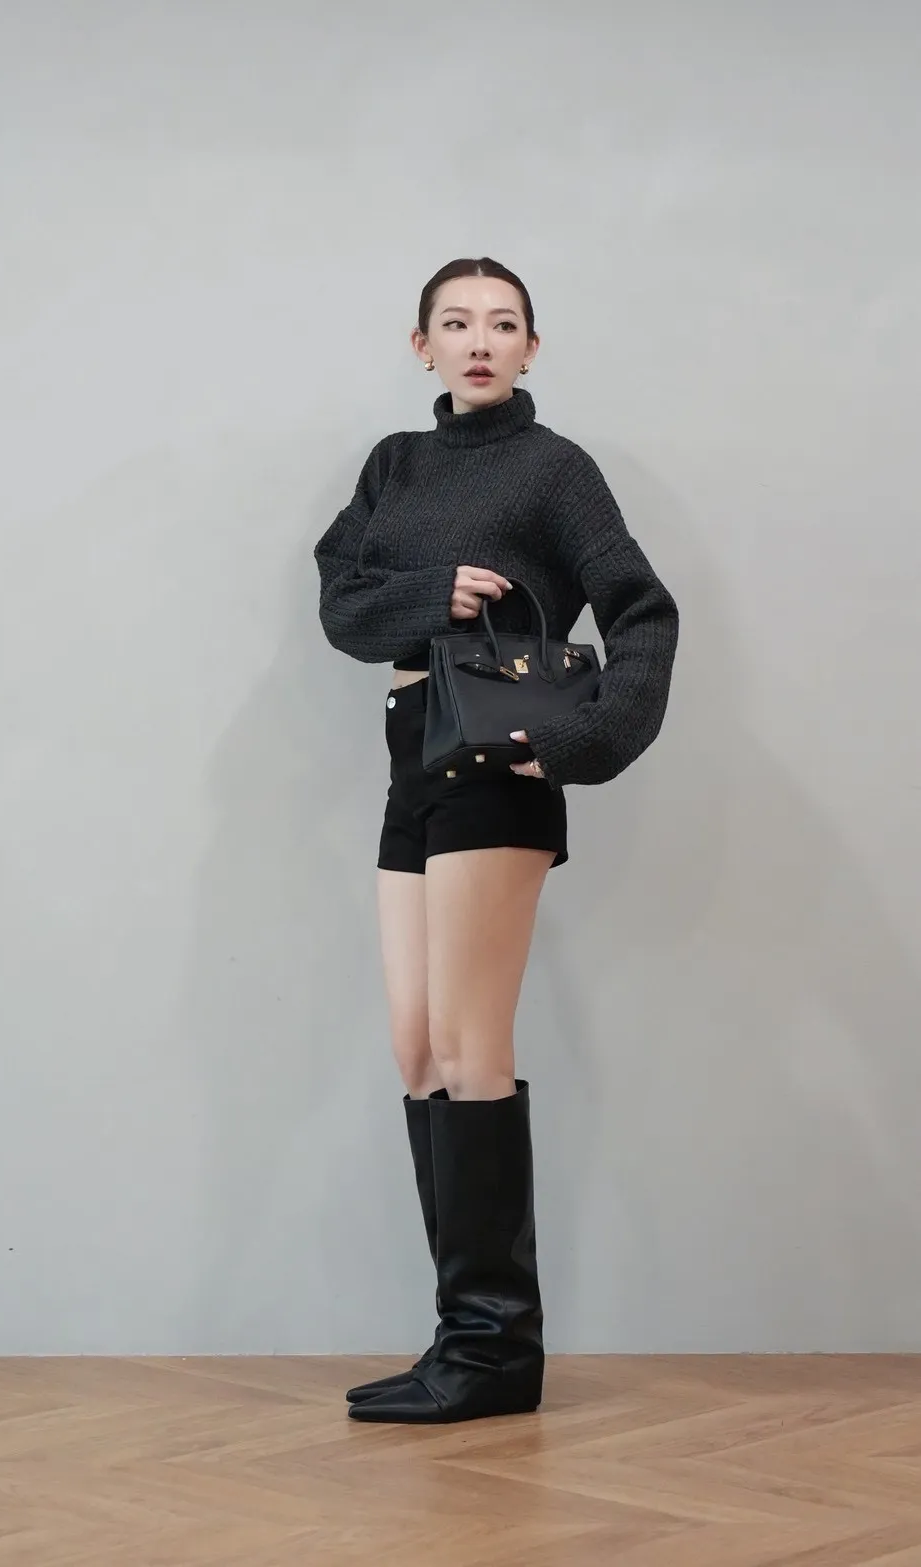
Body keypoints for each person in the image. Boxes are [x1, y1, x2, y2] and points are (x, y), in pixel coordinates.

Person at [313, 257, 679, 1424]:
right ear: (420, 343)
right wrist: (435, 591)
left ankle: (492, 1349)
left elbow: (641, 611)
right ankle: (462, 1340)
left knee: (472, 1045)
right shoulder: (395, 465)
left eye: (503, 323)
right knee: (416, 1047)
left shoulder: (553, 470)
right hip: (409, 759)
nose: (481, 340)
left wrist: (576, 741)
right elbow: (339, 602)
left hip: (492, 766)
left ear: (531, 346)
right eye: (457, 322)